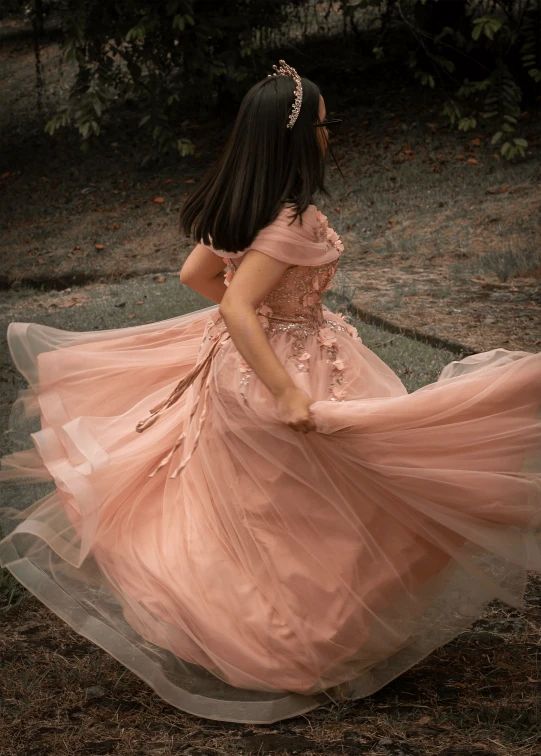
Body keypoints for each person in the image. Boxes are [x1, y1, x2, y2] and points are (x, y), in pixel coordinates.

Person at [0, 60, 540, 726]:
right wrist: (283, 380)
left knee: (277, 513)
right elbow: (233, 304)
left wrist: (257, 321)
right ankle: (293, 642)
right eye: (320, 124)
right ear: (293, 139)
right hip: (284, 366)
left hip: (256, 358)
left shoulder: (245, 203)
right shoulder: (292, 221)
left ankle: (280, 625)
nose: (327, 135)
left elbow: (198, 273)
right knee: (319, 507)